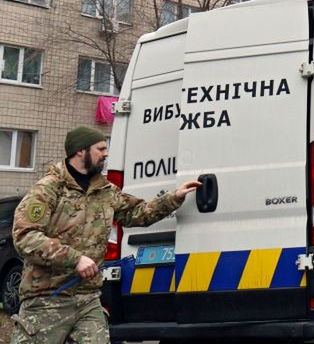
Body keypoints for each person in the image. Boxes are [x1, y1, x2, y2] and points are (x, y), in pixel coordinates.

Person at [11, 126, 201, 344]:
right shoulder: (49, 189)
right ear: (81, 151)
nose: (106, 153)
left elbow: (137, 213)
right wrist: (75, 259)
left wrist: (174, 198)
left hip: (88, 297)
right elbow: (25, 236)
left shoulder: (105, 191)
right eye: (100, 148)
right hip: (47, 297)